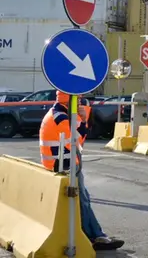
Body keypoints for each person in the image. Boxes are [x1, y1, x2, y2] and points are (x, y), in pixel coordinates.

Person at [39, 91, 124, 251]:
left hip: (61, 164)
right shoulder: (62, 117)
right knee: (83, 201)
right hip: (65, 166)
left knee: (83, 200)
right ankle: (95, 236)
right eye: (78, 99)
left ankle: (93, 235)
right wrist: (83, 120)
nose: (80, 102)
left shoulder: (57, 113)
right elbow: (77, 143)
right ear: (69, 100)